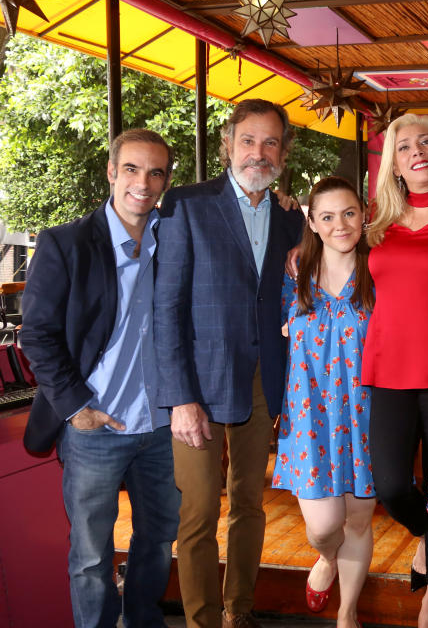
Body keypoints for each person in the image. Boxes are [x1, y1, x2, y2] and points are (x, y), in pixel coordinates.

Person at [20, 128, 180, 628]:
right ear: (111, 172)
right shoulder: (65, 243)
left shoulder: (173, 236)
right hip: (95, 428)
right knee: (91, 557)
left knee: (156, 542)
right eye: (131, 169)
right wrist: (76, 408)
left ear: (166, 180)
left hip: (159, 428)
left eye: (156, 172)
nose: (143, 182)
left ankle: (143, 621)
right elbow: (38, 335)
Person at [154, 99, 305, 628]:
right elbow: (165, 307)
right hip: (198, 384)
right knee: (197, 512)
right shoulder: (185, 205)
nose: (258, 153)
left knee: (249, 504)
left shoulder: (292, 218)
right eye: (248, 140)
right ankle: (200, 619)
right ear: (228, 145)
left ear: (283, 152)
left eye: (270, 143)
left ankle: (239, 610)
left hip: (265, 382)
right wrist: (179, 397)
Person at [363, 113, 428, 628]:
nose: (417, 151)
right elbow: (326, 242)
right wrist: (299, 241)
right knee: (392, 486)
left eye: (427, 141)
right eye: (404, 147)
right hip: (388, 369)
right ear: (394, 163)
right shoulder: (376, 218)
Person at [272, 176, 376, 628]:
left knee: (357, 521)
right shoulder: (293, 279)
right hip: (310, 419)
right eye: (328, 216)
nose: (340, 224)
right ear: (311, 222)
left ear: (364, 215)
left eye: (349, 213)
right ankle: (327, 558)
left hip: (366, 416)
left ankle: (347, 613)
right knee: (323, 527)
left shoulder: (379, 273)